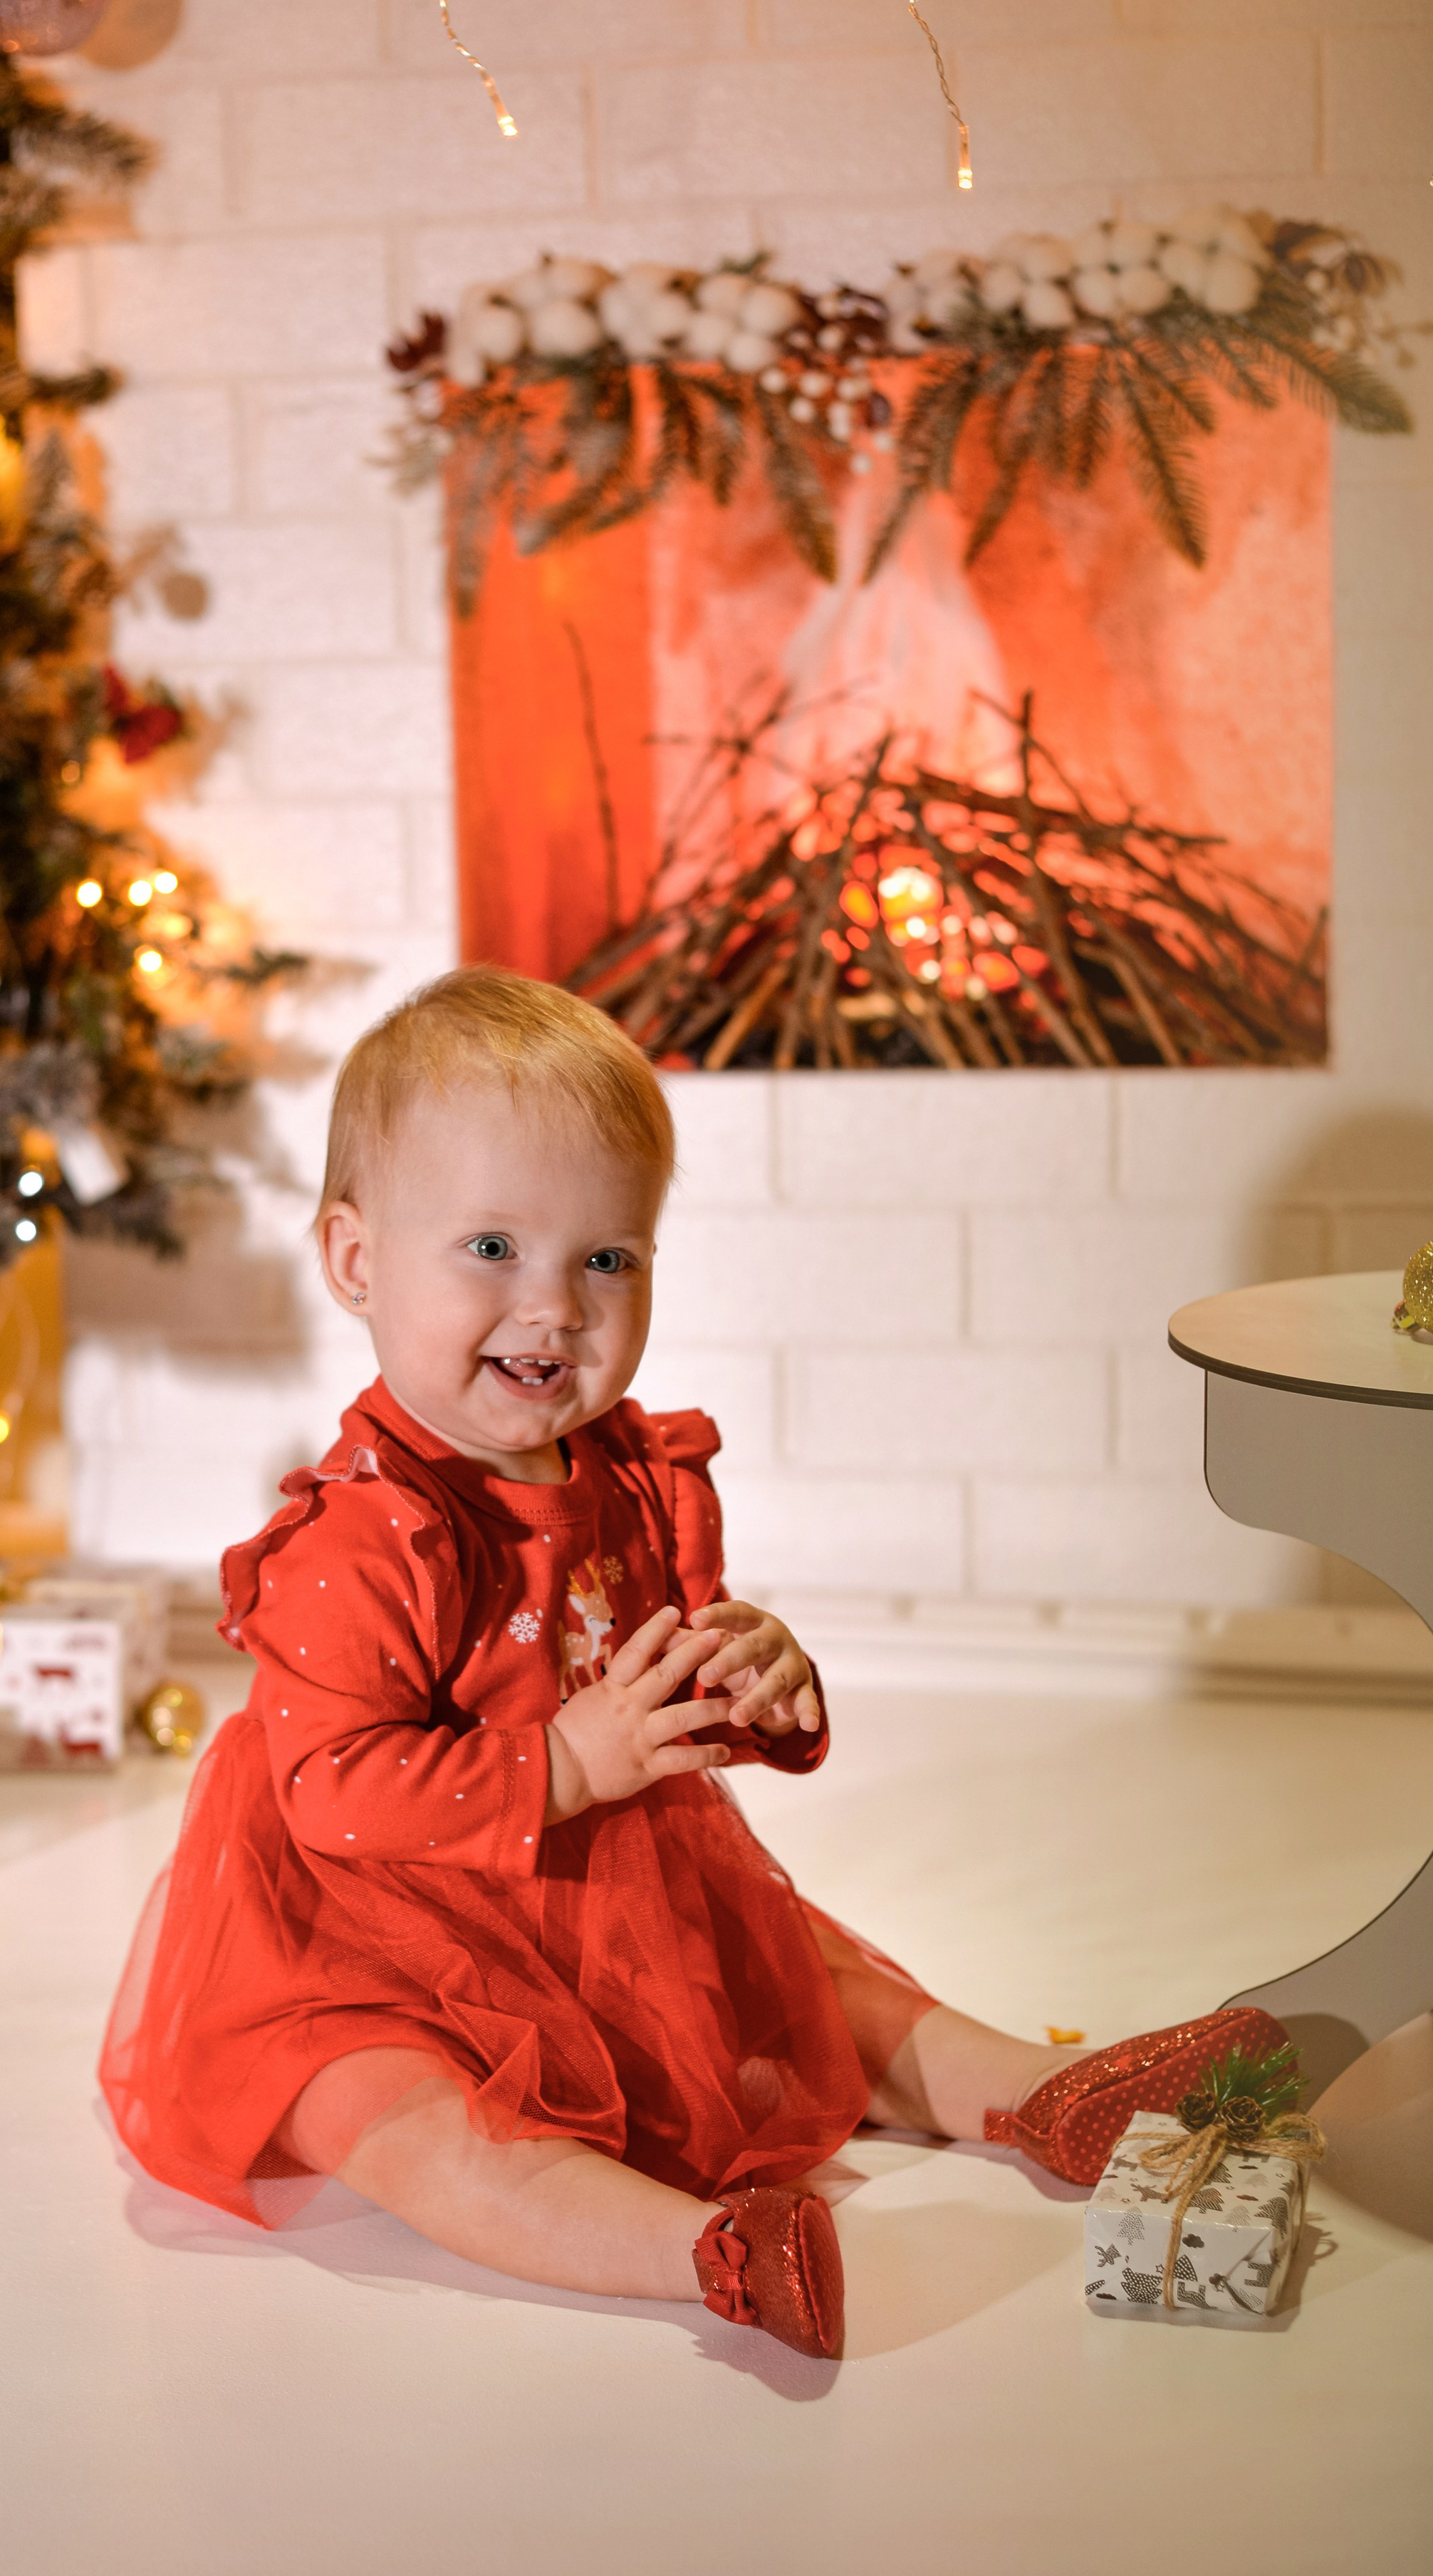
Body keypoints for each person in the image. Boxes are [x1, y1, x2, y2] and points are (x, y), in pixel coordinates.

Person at [100, 969, 1284, 2359]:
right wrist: (563, 1759)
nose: (552, 1307)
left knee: (806, 1979)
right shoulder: (360, 1537)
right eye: (489, 1245)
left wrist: (757, 1685)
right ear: (356, 1260)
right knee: (405, 2117)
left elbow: (666, 1683)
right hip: (375, 1917)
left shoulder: (627, 1473)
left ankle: (1040, 2092)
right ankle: (706, 2252)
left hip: (600, 1868)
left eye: (606, 1258)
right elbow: (326, 1791)